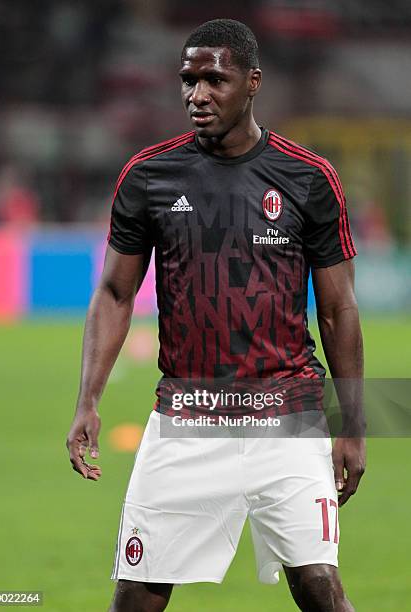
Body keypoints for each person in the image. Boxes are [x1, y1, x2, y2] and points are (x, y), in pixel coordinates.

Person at [66, 19, 366, 612]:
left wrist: (352, 424)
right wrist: (88, 400)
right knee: (137, 597)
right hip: (187, 417)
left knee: (319, 587)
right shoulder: (148, 176)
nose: (196, 95)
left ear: (252, 82)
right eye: (188, 79)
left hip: (288, 414)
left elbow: (338, 309)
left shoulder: (308, 177)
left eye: (214, 80)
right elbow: (115, 295)